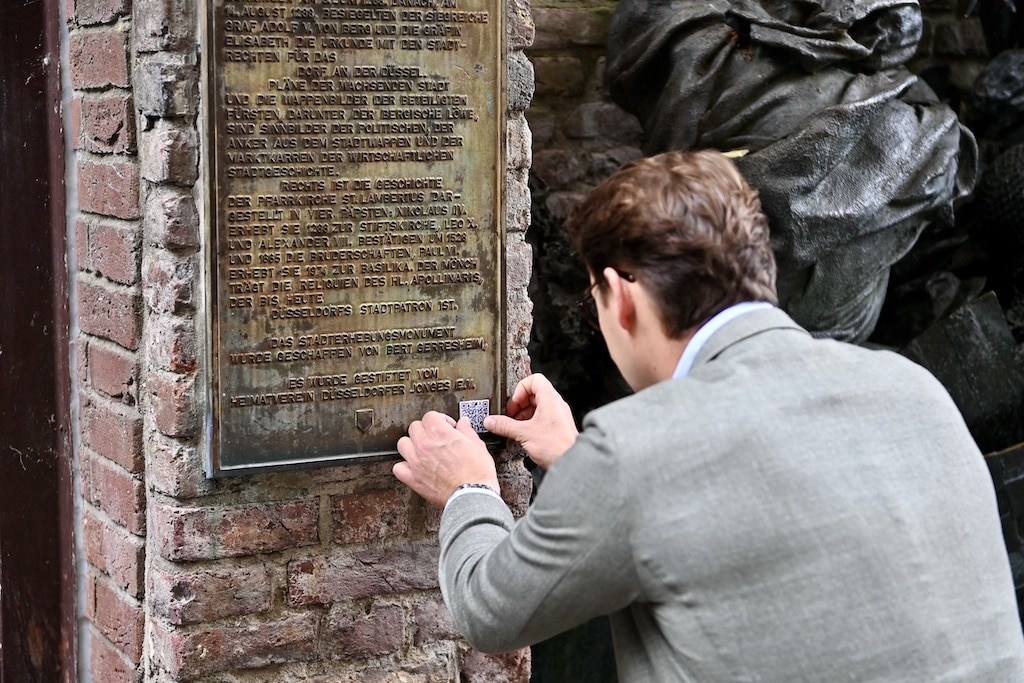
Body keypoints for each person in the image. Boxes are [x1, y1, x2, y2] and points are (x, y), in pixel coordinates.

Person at [392, 150, 1024, 681]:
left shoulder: (635, 451)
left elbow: (490, 613)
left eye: (594, 306)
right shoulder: (911, 387)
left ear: (624, 297)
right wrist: (580, 460)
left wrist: (467, 489)